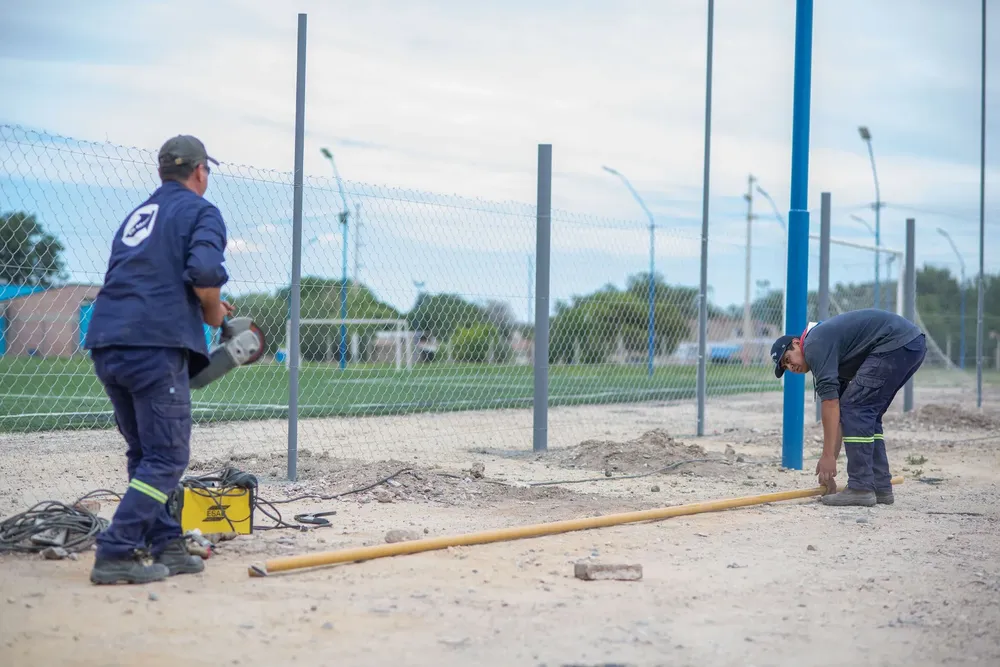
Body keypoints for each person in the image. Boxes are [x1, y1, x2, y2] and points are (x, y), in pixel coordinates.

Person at [83, 135, 232, 584]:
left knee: (145, 453)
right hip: (154, 343)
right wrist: (211, 312)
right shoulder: (201, 211)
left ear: (162, 170)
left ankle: (166, 541)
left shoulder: (139, 215)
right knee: (167, 456)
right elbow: (205, 273)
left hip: (108, 339)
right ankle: (115, 551)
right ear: (201, 171)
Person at [770, 308, 926, 507]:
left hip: (895, 343)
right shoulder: (828, 352)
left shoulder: (814, 345)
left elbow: (831, 404)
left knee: (857, 410)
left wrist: (827, 456)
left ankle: (861, 488)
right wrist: (829, 467)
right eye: (786, 367)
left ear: (795, 343)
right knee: (866, 413)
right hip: (909, 344)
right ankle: (880, 487)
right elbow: (839, 415)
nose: (791, 367)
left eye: (787, 359)